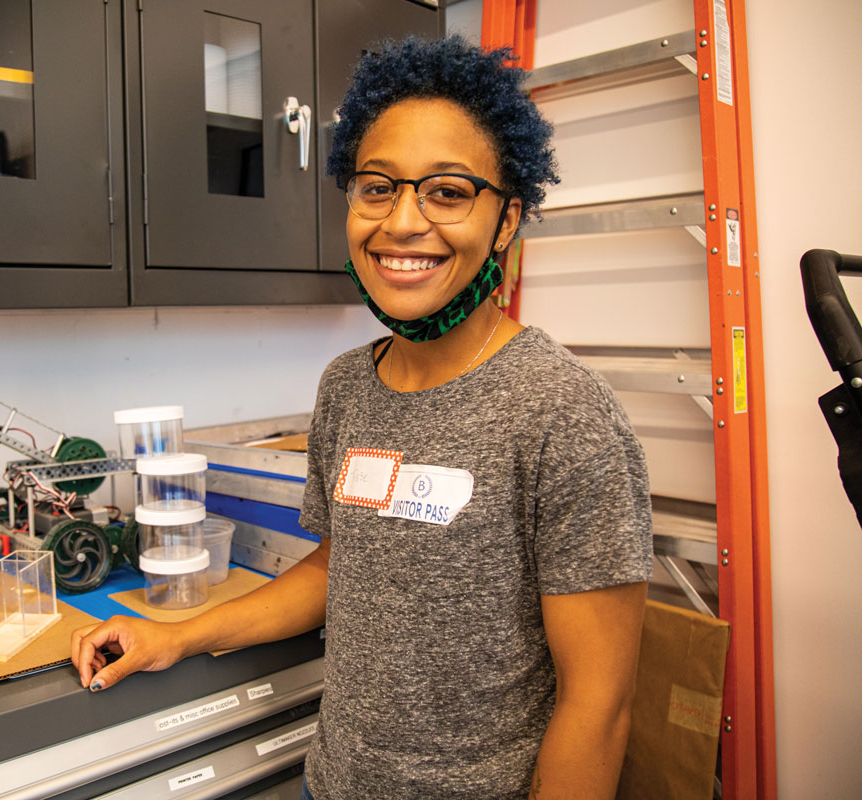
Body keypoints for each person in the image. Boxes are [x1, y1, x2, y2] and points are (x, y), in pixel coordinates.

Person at [72, 36, 653, 800]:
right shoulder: (348, 386)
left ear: (507, 219)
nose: (402, 222)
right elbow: (344, 568)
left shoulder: (562, 413)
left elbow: (598, 707)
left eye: (446, 192)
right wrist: (177, 637)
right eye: (376, 187)